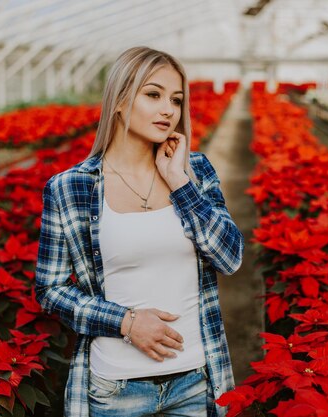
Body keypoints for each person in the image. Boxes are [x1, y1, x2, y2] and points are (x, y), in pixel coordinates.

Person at [34, 46, 244, 417]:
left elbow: (230, 258)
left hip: (195, 380)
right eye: (153, 94)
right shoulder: (70, 188)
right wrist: (126, 322)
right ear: (119, 100)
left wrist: (179, 182)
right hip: (116, 389)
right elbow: (50, 291)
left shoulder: (194, 171)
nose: (168, 110)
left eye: (176, 100)